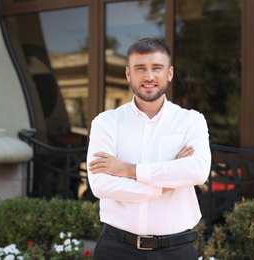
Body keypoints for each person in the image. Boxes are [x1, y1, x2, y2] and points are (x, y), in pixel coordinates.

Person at [87, 38, 211, 260]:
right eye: (140, 68)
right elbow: (101, 185)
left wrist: (128, 170)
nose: (149, 76)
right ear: (128, 74)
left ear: (170, 73)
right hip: (116, 249)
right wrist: (165, 184)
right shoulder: (106, 123)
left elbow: (198, 171)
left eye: (157, 68)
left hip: (176, 250)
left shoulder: (191, 121)